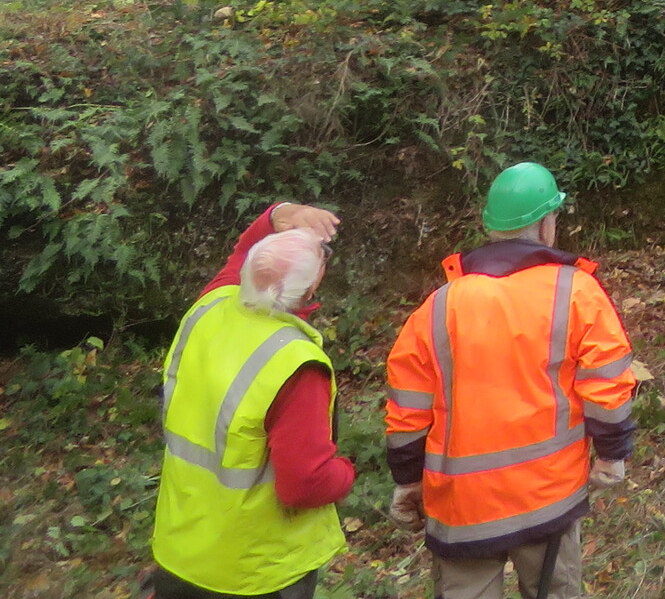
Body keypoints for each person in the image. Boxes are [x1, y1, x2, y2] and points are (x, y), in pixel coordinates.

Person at [383, 162, 638, 599]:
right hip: (547, 499)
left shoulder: (439, 305)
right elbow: (606, 384)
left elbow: (407, 406)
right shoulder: (576, 291)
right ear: (546, 225)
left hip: (462, 507)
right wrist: (613, 455)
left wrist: (407, 479)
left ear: (491, 228)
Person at [148, 201, 356, 599]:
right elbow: (304, 484)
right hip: (255, 570)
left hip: (180, 551)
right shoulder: (295, 364)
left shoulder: (210, 308)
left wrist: (278, 216)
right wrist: (346, 472)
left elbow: (241, 252)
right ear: (311, 288)